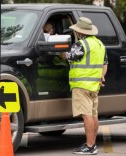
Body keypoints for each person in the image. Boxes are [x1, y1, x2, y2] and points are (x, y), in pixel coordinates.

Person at [60, 17, 108, 155]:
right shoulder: (100, 44)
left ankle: (90, 146)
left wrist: (59, 49)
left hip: (81, 85)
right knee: (93, 115)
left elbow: (67, 57)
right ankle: (92, 144)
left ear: (80, 32)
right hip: (94, 86)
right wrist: (101, 77)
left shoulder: (81, 44)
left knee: (87, 116)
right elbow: (105, 64)